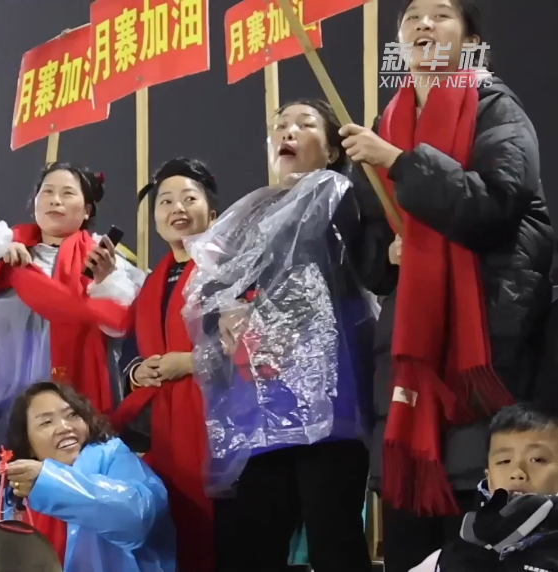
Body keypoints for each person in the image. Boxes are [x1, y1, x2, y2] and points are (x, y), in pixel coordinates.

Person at [340, 1, 551, 569]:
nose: (424, 25)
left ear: (472, 42)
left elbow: (498, 204)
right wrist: (388, 255)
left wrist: (401, 163)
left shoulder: (495, 108)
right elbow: (369, 253)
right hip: (408, 361)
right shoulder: (384, 125)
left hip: (484, 348)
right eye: (413, 17)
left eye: (441, 15)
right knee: (411, 545)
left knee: (483, 539)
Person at [0, 162, 144, 572]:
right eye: (48, 192)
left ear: (87, 209)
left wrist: (106, 282)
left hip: (67, 426)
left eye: (68, 193)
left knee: (66, 522)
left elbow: (128, 325)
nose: (55, 201)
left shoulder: (110, 265)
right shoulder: (0, 257)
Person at [187, 100, 376, 571]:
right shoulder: (254, 209)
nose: (287, 132)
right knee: (255, 539)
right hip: (264, 400)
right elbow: (213, 282)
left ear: (332, 150)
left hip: (329, 394)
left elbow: (341, 271)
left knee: (332, 533)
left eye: (304, 125)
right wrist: (226, 310)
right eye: (280, 125)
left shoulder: (340, 193)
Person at [111, 157, 220, 572]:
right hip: (163, 432)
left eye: (189, 199)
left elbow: (254, 344)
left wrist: (191, 361)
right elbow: (131, 349)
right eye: (166, 201)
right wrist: (138, 371)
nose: (177, 208)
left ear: (212, 213)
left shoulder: (228, 269)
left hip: (217, 426)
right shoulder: (152, 281)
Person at [1, 381, 175, 572]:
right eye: (46, 422)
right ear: (28, 445)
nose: (65, 427)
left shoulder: (113, 455)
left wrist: (48, 482)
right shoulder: (19, 490)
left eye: (72, 415)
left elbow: (137, 518)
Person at [410, 403, 558, 571]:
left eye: (537, 459)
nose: (517, 472)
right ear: (488, 478)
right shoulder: (450, 558)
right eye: (504, 461)